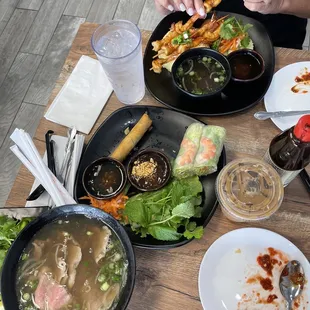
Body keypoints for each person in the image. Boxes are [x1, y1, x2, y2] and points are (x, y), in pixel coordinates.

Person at [154, 0, 309, 49]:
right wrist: (169, 4)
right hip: (195, 40)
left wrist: (282, 3)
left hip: (276, 46)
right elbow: (165, 9)